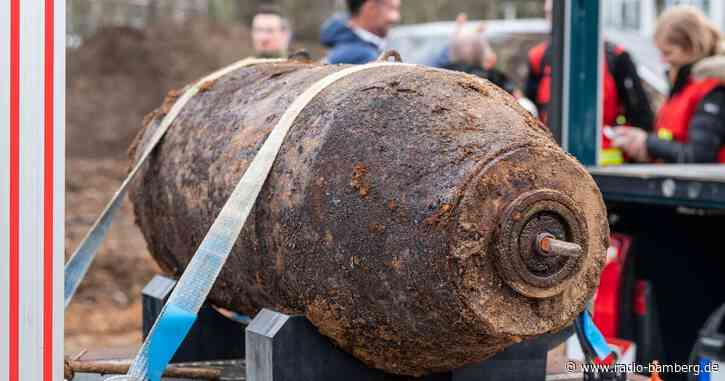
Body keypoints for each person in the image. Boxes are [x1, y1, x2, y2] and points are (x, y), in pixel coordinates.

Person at [524, 0, 654, 165]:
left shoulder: (616, 57)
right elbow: (529, 112)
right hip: (551, 163)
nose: (555, 21)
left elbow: (641, 117)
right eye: (550, 14)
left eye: (555, 13)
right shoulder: (538, 57)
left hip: (607, 167)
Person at [612, 5, 725, 163]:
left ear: (691, 47)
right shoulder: (685, 87)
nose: (663, 61)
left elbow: (699, 156)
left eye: (668, 53)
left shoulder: (713, 89)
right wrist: (646, 149)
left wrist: (648, 142)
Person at [320, 0, 401, 64]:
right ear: (371, 7)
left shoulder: (344, 45)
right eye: (392, 8)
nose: (396, 18)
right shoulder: (363, 57)